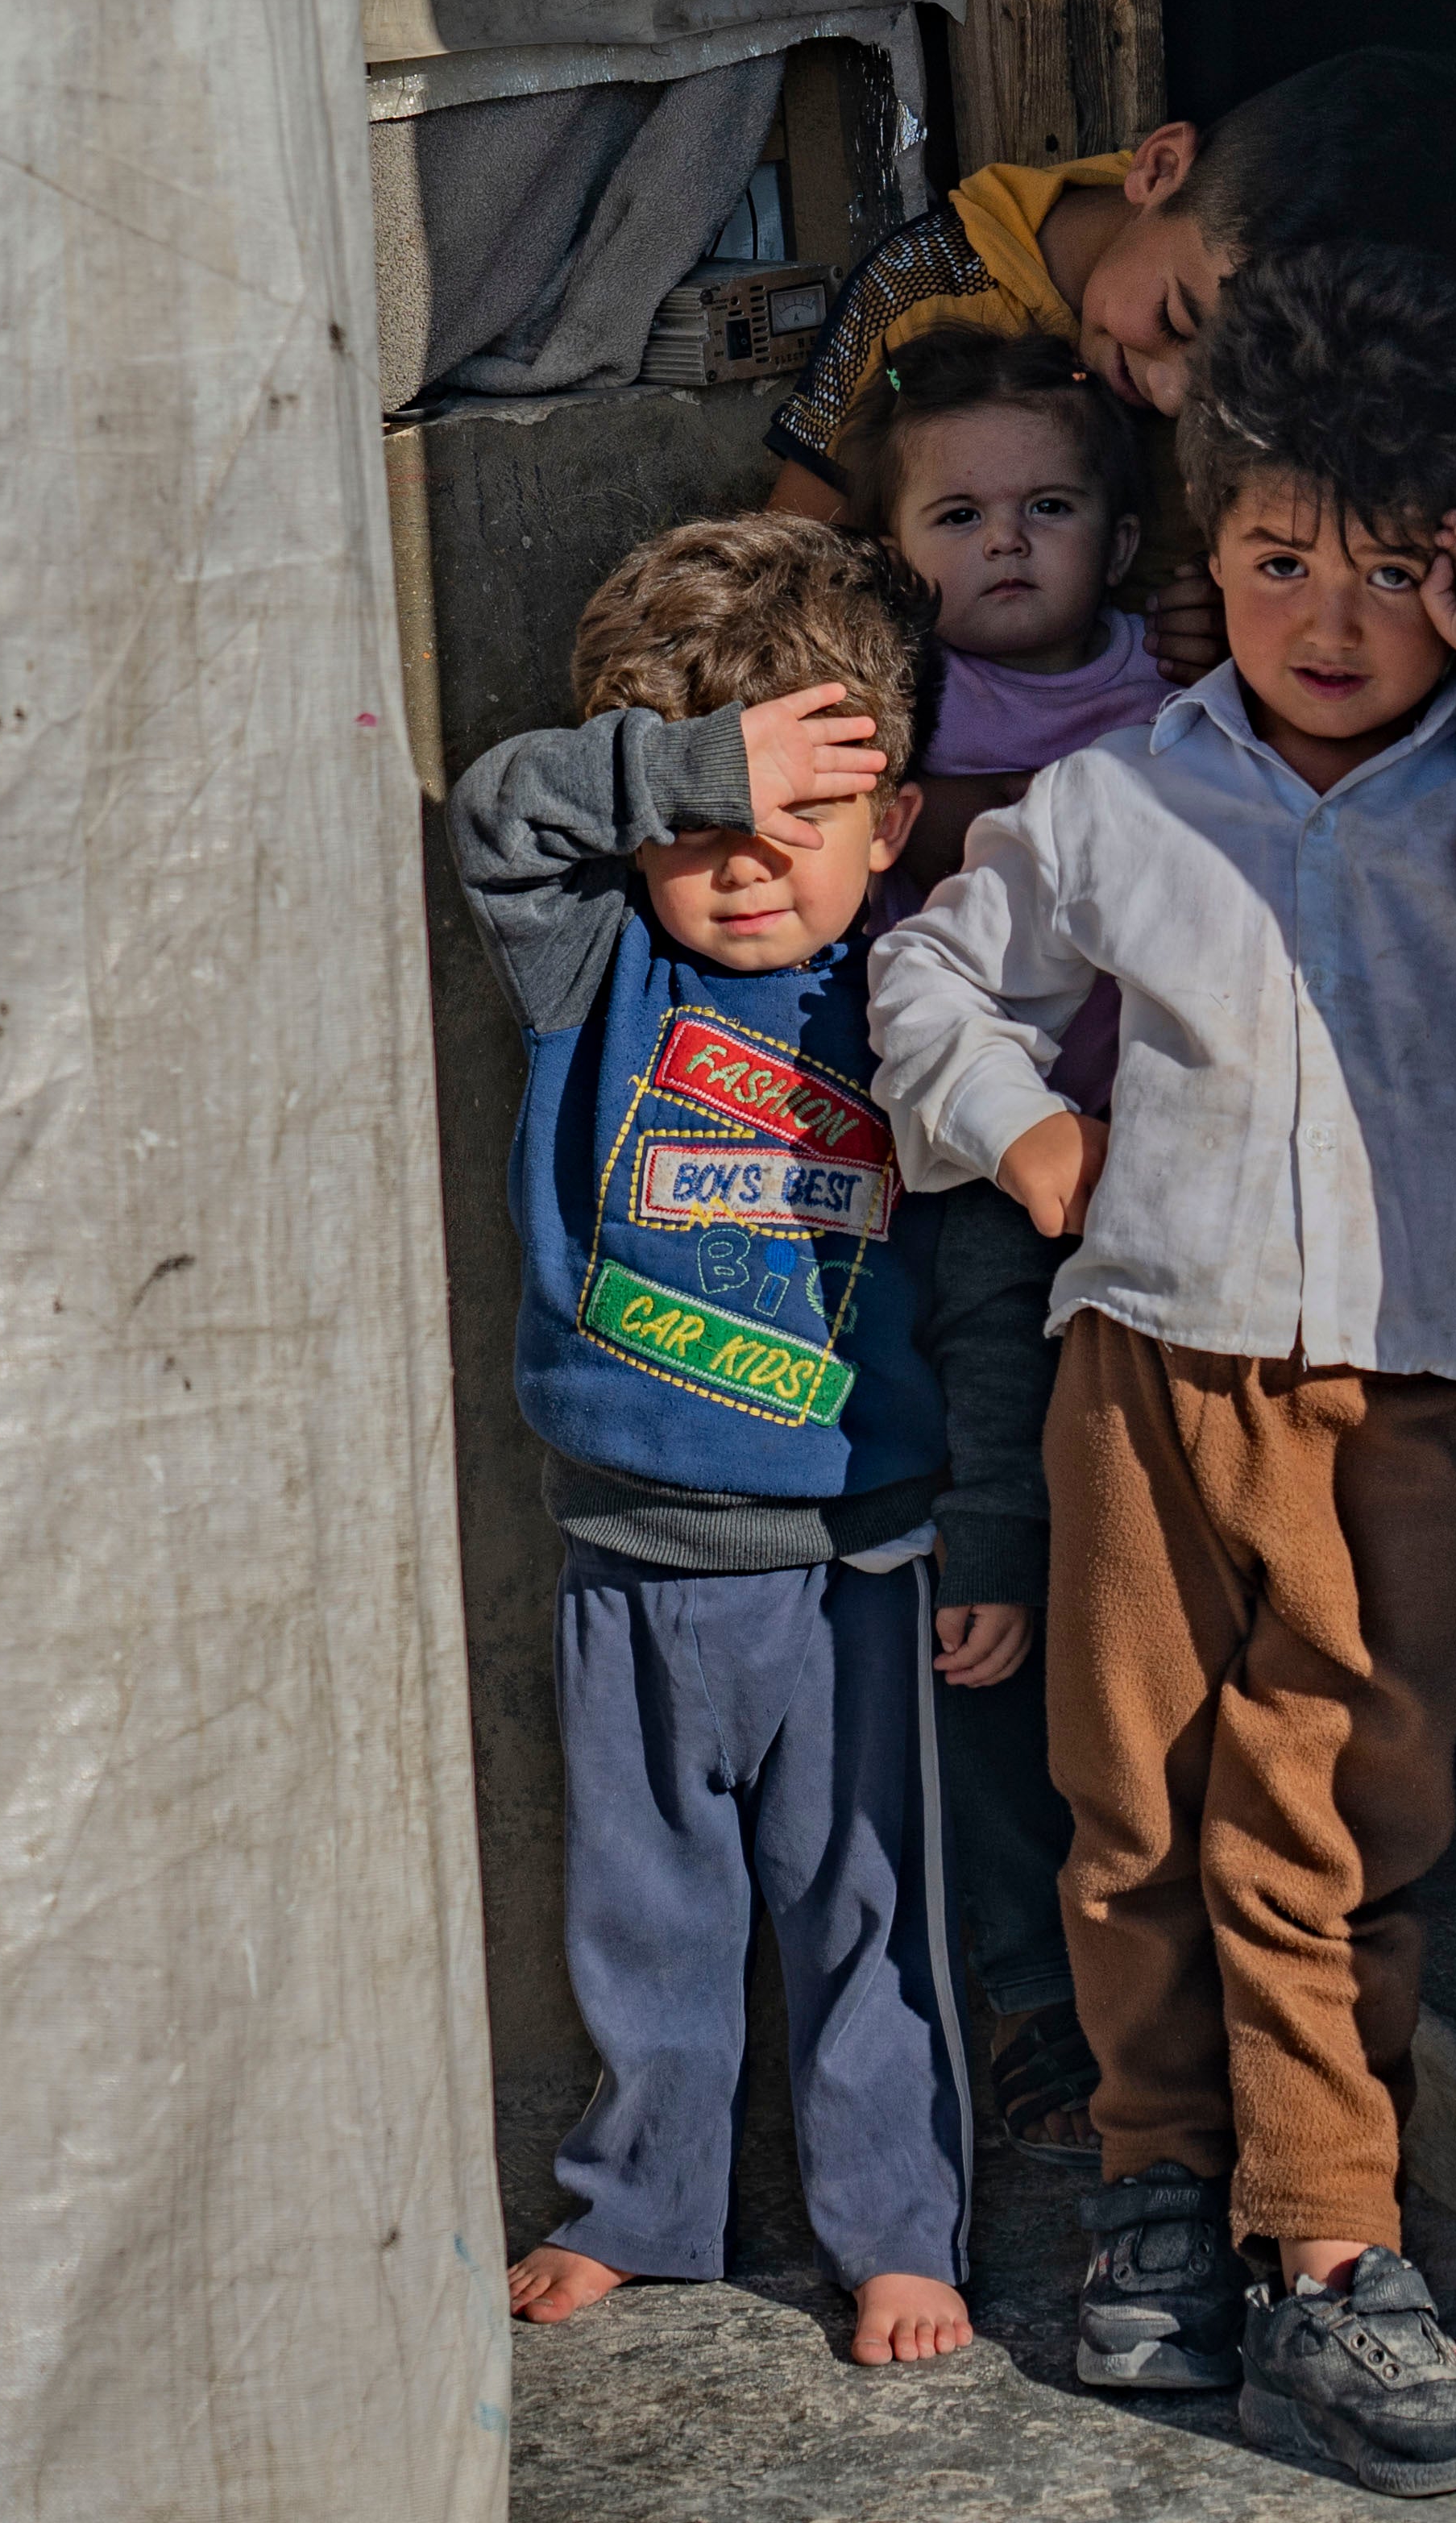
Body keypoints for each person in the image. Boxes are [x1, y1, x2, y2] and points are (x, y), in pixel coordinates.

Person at [868, 245, 1456, 2495]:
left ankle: (1328, 2249)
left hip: (1392, 1402)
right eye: (1279, 560)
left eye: (1393, 573)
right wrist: (1024, 1125)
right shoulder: (1121, 803)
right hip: (1145, 1381)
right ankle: (1161, 2192)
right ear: (1210, 560)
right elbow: (930, 975)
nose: (1328, 616)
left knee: (1325, 1829)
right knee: (1130, 1811)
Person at [447, 514, 996, 2368]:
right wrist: (692, 766)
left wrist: (988, 1535)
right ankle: (636, 2206)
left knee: (869, 1924)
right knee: (641, 1918)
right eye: (702, 826)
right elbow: (494, 816)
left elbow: (989, 1305)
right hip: (624, 1562)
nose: (745, 869)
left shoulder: (919, 1003)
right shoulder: (597, 970)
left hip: (856, 1569)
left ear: (889, 821)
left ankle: (896, 2232)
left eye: (797, 822)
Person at [847, 322, 1175, 2168]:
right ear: (899, 552)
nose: (1008, 543)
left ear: (1121, 542)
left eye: (1049, 507)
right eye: (959, 514)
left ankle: (1154, 1954)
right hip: (969, 1204)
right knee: (989, 1583)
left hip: (1176, 1196)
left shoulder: (1184, 689)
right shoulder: (894, 723)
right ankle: (1029, 1983)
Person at [757, 48, 1456, 677]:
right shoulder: (925, 287)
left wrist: (1243, 631)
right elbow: (787, 568)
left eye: (1229, 375)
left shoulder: (1330, 367)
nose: (1170, 389)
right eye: (1175, 318)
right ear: (1158, 170)